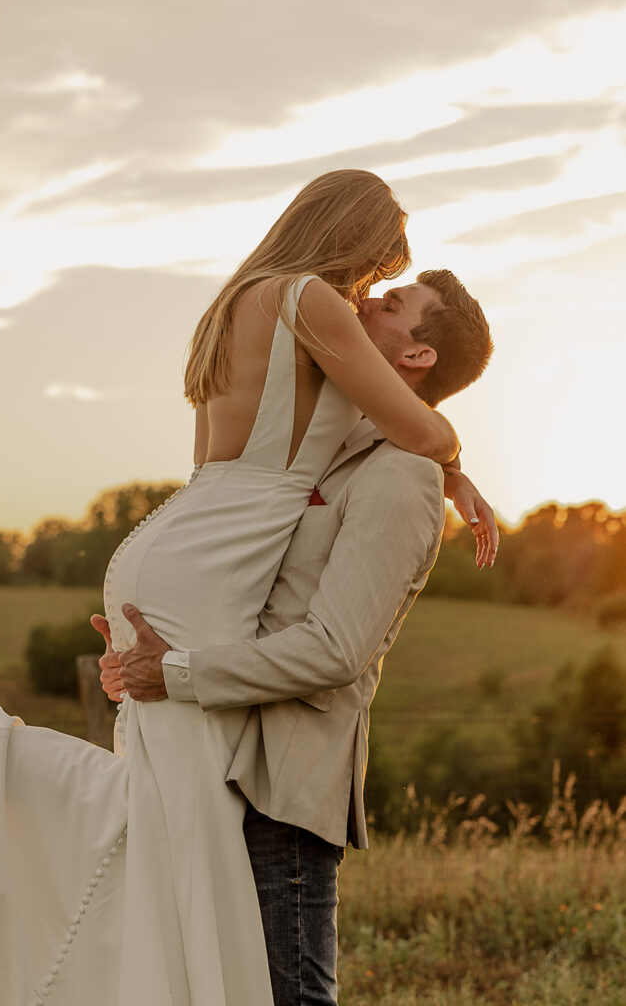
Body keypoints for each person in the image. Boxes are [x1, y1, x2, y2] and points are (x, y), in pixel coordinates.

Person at [0, 170, 469, 1006]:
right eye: (376, 274)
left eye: (385, 293)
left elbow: (242, 464)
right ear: (356, 239)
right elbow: (420, 427)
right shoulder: (314, 299)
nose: (368, 295)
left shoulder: (235, 306)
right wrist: (456, 463)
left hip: (178, 537)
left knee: (159, 826)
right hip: (213, 562)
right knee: (182, 841)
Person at [94, 269, 495, 1006]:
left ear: (417, 357)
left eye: (393, 304)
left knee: (291, 997)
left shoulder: (402, 478)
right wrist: (146, 645)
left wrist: (173, 672)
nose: (367, 300)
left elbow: (333, 651)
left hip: (284, 783)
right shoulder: (354, 439)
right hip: (224, 758)